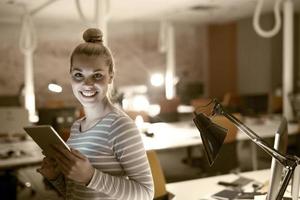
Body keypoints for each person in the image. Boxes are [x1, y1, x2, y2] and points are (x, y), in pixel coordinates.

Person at [37, 28, 154, 200]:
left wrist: (91, 177)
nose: (87, 84)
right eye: (78, 74)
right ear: (70, 77)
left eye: (97, 75)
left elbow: (146, 193)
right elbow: (78, 193)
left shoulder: (120, 126)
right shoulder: (77, 127)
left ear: (111, 77)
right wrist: (56, 177)